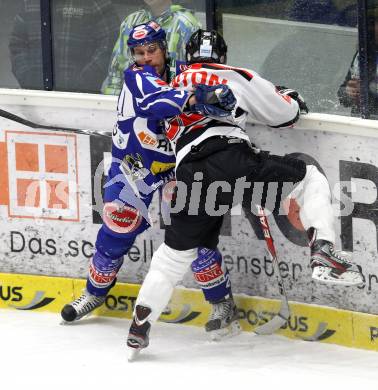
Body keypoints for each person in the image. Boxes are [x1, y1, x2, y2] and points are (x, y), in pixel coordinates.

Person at [126, 29, 364, 357]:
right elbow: (285, 115)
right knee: (310, 179)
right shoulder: (237, 75)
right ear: (222, 56)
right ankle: (322, 247)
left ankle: (139, 328)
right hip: (231, 160)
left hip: (189, 176)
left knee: (172, 258)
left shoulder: (170, 85)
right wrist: (290, 98)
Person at [61, 21, 241, 340]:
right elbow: (154, 103)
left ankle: (221, 302)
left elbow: (230, 90)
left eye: (152, 51)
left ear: (164, 49)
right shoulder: (136, 77)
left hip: (176, 167)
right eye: (139, 52)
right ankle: (94, 292)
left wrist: (249, 97)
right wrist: (199, 97)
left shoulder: (186, 72)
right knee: (118, 225)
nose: (145, 58)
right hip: (136, 165)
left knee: (193, 235)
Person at [8, 0, 119, 92]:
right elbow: (17, 45)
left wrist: (84, 82)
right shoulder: (30, 3)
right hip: (34, 95)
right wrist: (29, 80)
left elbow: (111, 45)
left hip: (83, 98)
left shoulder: (95, 3)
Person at [101, 0, 201, 95]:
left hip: (169, 105)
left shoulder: (186, 24)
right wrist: (113, 105)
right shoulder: (131, 21)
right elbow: (116, 72)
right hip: (129, 103)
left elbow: (195, 78)